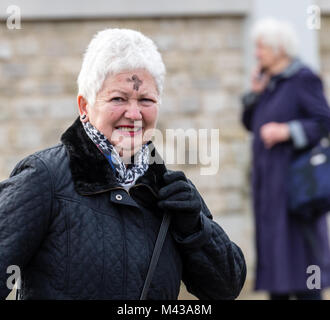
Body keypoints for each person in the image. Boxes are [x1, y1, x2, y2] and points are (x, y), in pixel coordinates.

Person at [0, 28, 246, 300]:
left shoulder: (171, 191)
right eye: (118, 98)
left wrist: (196, 229)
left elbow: (226, 288)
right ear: (84, 106)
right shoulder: (43, 178)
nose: (134, 114)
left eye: (146, 100)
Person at [241, 18, 330, 300]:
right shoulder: (268, 84)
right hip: (269, 186)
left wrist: (287, 131)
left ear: (279, 49)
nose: (257, 53)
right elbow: (249, 123)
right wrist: (253, 95)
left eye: (261, 47)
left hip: (296, 187)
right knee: (275, 254)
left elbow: (324, 122)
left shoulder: (303, 78)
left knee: (303, 255)